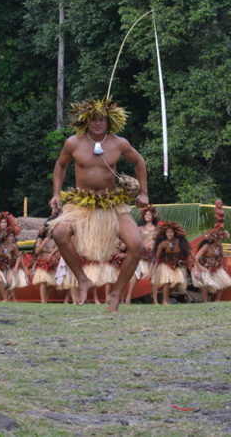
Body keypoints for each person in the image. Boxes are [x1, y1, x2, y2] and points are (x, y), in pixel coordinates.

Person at [49, 98, 148, 312]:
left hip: (111, 205)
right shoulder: (73, 143)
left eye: (102, 119)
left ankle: (116, 293)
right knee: (59, 233)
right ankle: (82, 279)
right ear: (86, 121)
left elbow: (139, 162)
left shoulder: (118, 143)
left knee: (137, 245)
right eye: (93, 119)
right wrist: (56, 194)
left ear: (108, 121)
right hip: (81, 205)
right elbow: (60, 166)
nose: (97, 123)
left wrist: (144, 193)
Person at [151, 221, 203, 305]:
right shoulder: (162, 244)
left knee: (179, 281)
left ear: (174, 233)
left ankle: (167, 296)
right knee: (167, 281)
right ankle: (164, 300)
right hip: (165, 264)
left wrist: (198, 265)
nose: (169, 234)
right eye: (168, 232)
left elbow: (191, 253)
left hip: (177, 263)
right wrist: (152, 268)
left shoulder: (180, 242)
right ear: (165, 233)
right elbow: (156, 257)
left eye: (171, 232)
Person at [125, 205, 160, 304]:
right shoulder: (140, 228)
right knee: (137, 276)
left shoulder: (157, 228)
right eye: (145, 215)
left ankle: (155, 301)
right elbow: (135, 241)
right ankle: (128, 298)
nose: (147, 216)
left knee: (154, 278)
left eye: (149, 214)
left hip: (152, 255)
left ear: (152, 216)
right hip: (142, 255)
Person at [194, 229, 231, 302]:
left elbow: (222, 256)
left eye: (221, 239)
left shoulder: (219, 247)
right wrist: (197, 269)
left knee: (223, 282)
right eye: (218, 239)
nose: (220, 240)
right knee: (206, 284)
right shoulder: (207, 246)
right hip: (204, 267)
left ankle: (217, 299)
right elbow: (196, 257)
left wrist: (224, 266)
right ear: (214, 239)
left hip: (215, 267)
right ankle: (205, 301)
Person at [30, 226, 60, 303]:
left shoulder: (54, 241)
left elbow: (58, 249)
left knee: (50, 283)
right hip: (42, 263)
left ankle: (46, 300)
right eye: (47, 232)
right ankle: (42, 300)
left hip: (51, 263)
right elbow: (36, 251)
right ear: (45, 233)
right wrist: (44, 243)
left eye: (50, 232)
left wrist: (52, 251)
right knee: (43, 281)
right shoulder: (40, 240)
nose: (49, 234)